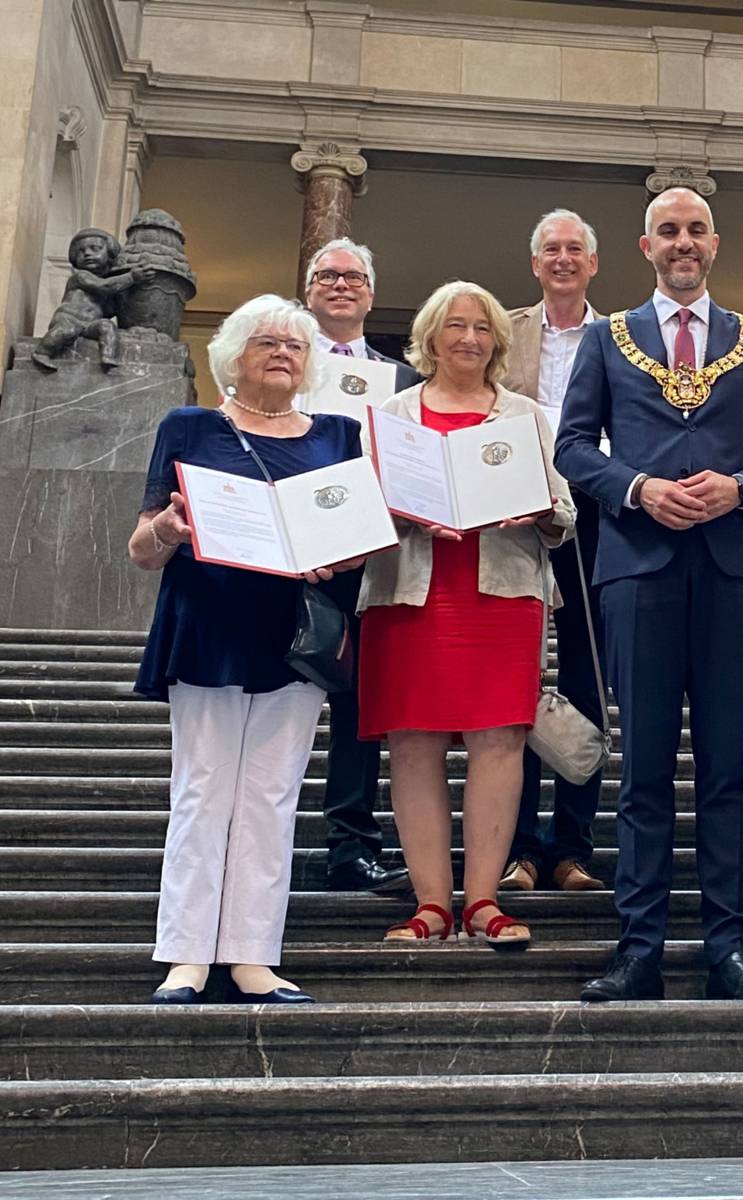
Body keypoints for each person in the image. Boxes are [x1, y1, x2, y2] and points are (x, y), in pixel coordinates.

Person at [555, 186, 743, 1003]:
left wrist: (741, 488)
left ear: (715, 243)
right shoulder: (606, 338)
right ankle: (640, 949)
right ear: (646, 246)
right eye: (669, 230)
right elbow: (571, 446)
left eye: (696, 229)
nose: (683, 242)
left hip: (733, 567)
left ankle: (732, 946)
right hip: (638, 566)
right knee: (645, 772)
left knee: (729, 767)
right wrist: (635, 490)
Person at [130, 293, 368, 1005]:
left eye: (295, 344)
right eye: (266, 341)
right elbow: (143, 549)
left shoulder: (337, 433)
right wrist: (171, 528)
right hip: (206, 623)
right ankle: (186, 956)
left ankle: (252, 955)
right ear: (232, 355)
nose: (282, 352)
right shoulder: (189, 426)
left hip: (293, 634)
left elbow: (355, 540)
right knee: (202, 789)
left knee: (271, 793)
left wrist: (337, 556)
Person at [358, 281, 575, 950]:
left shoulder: (524, 415)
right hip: (409, 593)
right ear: (430, 336)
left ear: (498, 343)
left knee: (499, 741)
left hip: (501, 595)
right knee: (414, 742)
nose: (469, 338)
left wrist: (538, 509)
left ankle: (483, 899)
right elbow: (362, 508)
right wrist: (400, 512)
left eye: (482, 328)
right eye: (455, 326)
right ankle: (430, 905)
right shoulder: (390, 413)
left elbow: (564, 511)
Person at [302, 237, 422, 895]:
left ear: (370, 293)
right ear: (309, 287)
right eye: (327, 275)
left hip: (370, 559)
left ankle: (350, 845)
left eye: (353, 276)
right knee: (279, 699)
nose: (341, 284)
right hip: (290, 561)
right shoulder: (276, 360)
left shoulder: (401, 379)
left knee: (357, 708)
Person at [499, 209, 606, 895]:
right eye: (551, 250)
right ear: (535, 264)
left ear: (593, 263)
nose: (563, 259)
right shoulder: (503, 330)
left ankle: (572, 847)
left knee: (587, 677)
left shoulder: (623, 336)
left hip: (600, 518)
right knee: (515, 675)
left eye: (575, 249)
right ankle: (518, 848)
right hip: (519, 516)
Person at [32, 228, 153, 370]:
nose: (87, 253)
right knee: (67, 331)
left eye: (95, 249)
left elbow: (108, 309)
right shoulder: (81, 276)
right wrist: (131, 277)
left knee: (106, 326)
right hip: (69, 318)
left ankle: (108, 358)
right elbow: (104, 286)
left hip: (88, 324)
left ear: (110, 255)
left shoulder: (106, 282)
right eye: (81, 251)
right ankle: (42, 352)